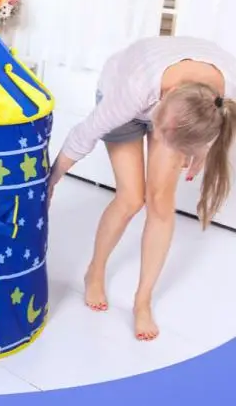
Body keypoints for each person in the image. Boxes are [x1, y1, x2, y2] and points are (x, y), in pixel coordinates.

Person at [48, 36, 236, 341]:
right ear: (167, 95)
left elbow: (218, 124)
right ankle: (95, 270)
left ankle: (143, 300)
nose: (156, 138)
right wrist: (53, 179)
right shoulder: (132, 90)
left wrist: (200, 147)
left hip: (181, 110)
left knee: (161, 202)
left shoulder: (225, 95)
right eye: (158, 128)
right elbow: (84, 135)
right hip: (123, 88)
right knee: (131, 198)